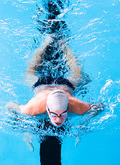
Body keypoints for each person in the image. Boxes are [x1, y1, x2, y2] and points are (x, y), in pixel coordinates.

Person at [6, 1, 103, 130]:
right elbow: (10, 106)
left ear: (68, 108)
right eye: (54, 114)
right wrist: (24, 130)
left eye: (63, 114)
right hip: (53, 86)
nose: (58, 119)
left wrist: (83, 126)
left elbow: (100, 107)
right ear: (47, 108)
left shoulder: (77, 107)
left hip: (53, 85)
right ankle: (53, 43)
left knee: (33, 72)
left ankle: (56, 43)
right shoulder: (32, 108)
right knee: (77, 75)